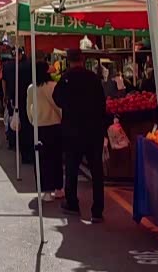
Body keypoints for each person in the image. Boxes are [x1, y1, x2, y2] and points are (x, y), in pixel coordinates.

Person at [53, 48, 106, 222]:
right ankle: (97, 210)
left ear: (68, 61)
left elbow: (57, 98)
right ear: (82, 59)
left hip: (72, 130)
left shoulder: (66, 78)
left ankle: (72, 203)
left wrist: (70, 106)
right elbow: (102, 102)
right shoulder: (93, 78)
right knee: (96, 170)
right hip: (93, 130)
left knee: (72, 168)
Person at [27, 61, 64, 202]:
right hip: (55, 126)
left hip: (39, 127)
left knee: (42, 159)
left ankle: (46, 191)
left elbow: (28, 108)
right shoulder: (53, 86)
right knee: (56, 158)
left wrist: (33, 121)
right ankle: (58, 188)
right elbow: (59, 106)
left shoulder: (31, 88)